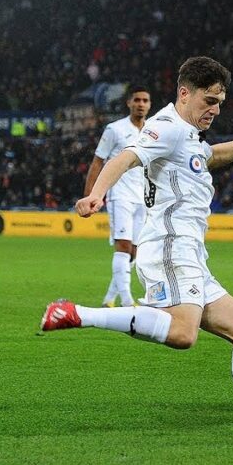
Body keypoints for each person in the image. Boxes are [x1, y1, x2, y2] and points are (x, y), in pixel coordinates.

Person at [41, 57, 233, 436]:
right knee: (184, 334)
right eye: (208, 101)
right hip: (170, 247)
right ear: (185, 93)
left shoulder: (189, 136)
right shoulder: (166, 127)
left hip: (191, 254)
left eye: (219, 102)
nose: (215, 110)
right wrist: (96, 195)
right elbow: (125, 157)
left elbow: (210, 157)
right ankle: (76, 313)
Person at [84, 85, 152, 307]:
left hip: (142, 197)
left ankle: (109, 298)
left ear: (149, 105)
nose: (141, 104)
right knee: (123, 246)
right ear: (129, 103)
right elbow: (98, 161)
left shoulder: (153, 131)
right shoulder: (114, 129)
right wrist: (91, 195)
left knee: (133, 251)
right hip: (119, 194)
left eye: (145, 100)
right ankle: (127, 301)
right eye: (137, 100)